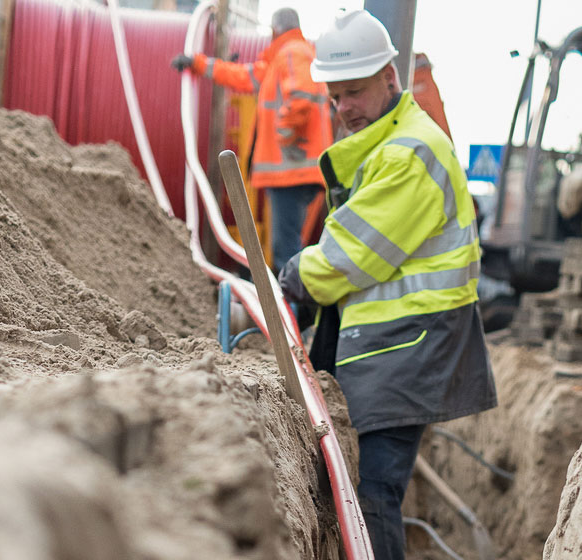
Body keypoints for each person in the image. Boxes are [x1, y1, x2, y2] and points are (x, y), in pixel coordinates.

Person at [276, 9, 496, 559]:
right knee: (363, 493)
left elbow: (344, 261)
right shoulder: (389, 146)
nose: (343, 108)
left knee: (373, 496)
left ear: (389, 80)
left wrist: (291, 275)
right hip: (396, 345)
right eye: (335, 96)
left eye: (354, 92)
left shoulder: (407, 154)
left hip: (408, 345)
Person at [170, 8, 333, 272]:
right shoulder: (281, 59)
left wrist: (285, 136)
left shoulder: (292, 52)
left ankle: (286, 312)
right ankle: (287, 308)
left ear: (274, 30)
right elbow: (243, 76)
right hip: (291, 174)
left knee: (286, 254)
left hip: (292, 173)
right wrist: (198, 64)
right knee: (286, 250)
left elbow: (301, 96)